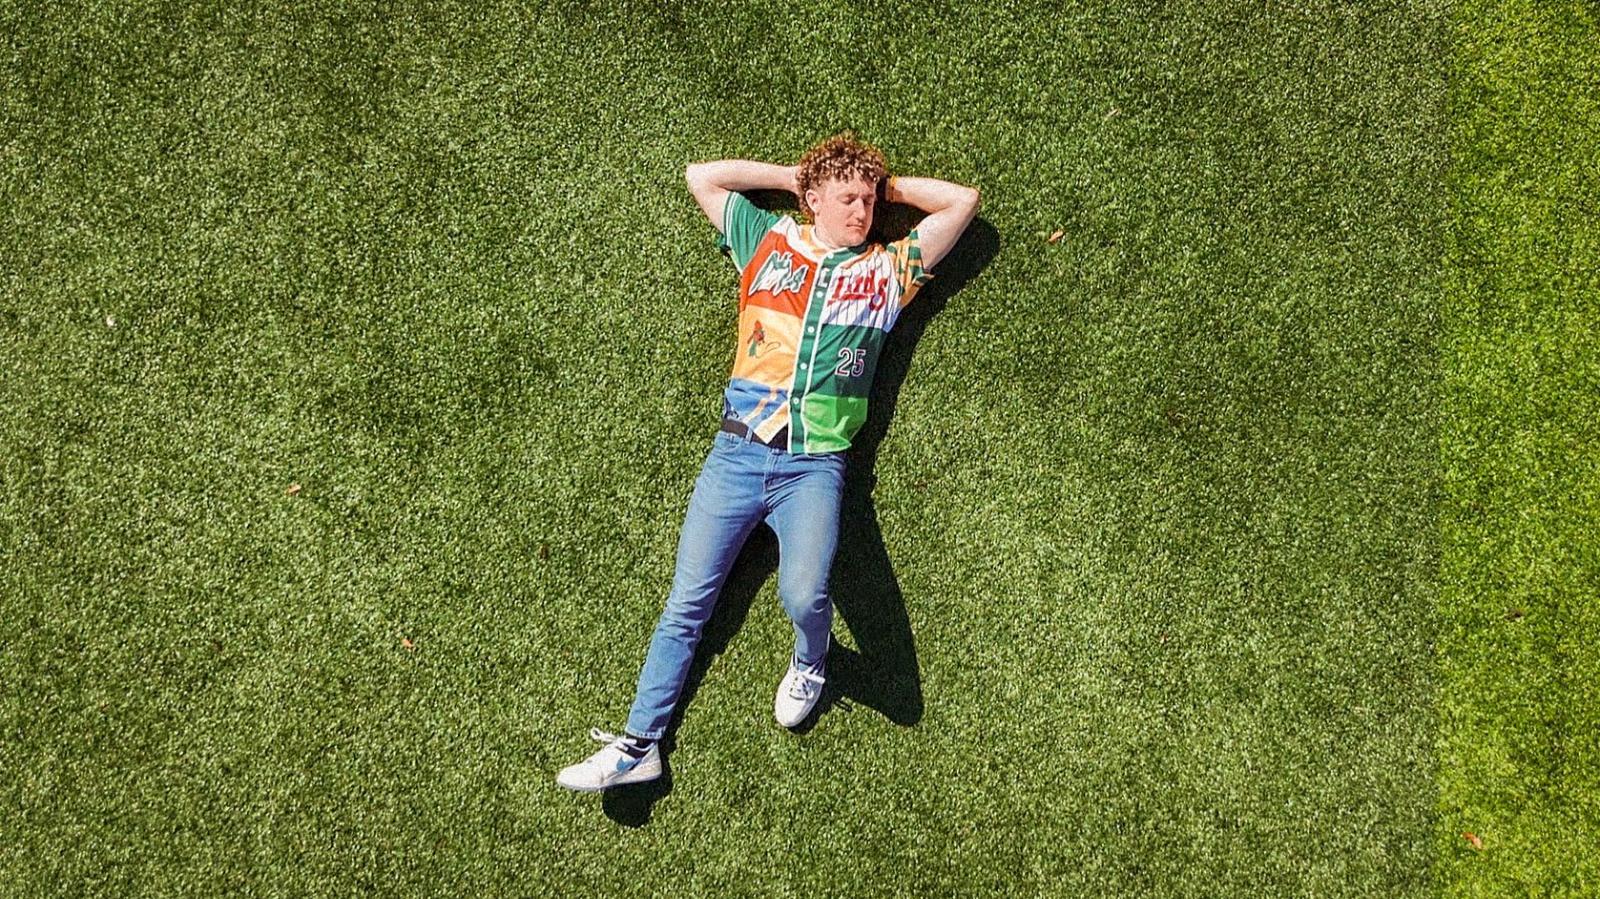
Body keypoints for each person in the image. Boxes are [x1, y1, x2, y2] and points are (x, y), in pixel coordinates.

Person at [557, 133, 980, 792]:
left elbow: (962, 201)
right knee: (686, 604)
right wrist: (795, 177)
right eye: (848, 198)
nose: (863, 211)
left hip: (814, 466)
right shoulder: (767, 241)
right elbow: (702, 176)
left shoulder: (886, 271)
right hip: (736, 453)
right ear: (814, 201)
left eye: (869, 201)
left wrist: (886, 185)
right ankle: (640, 745)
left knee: (804, 593)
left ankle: (812, 662)